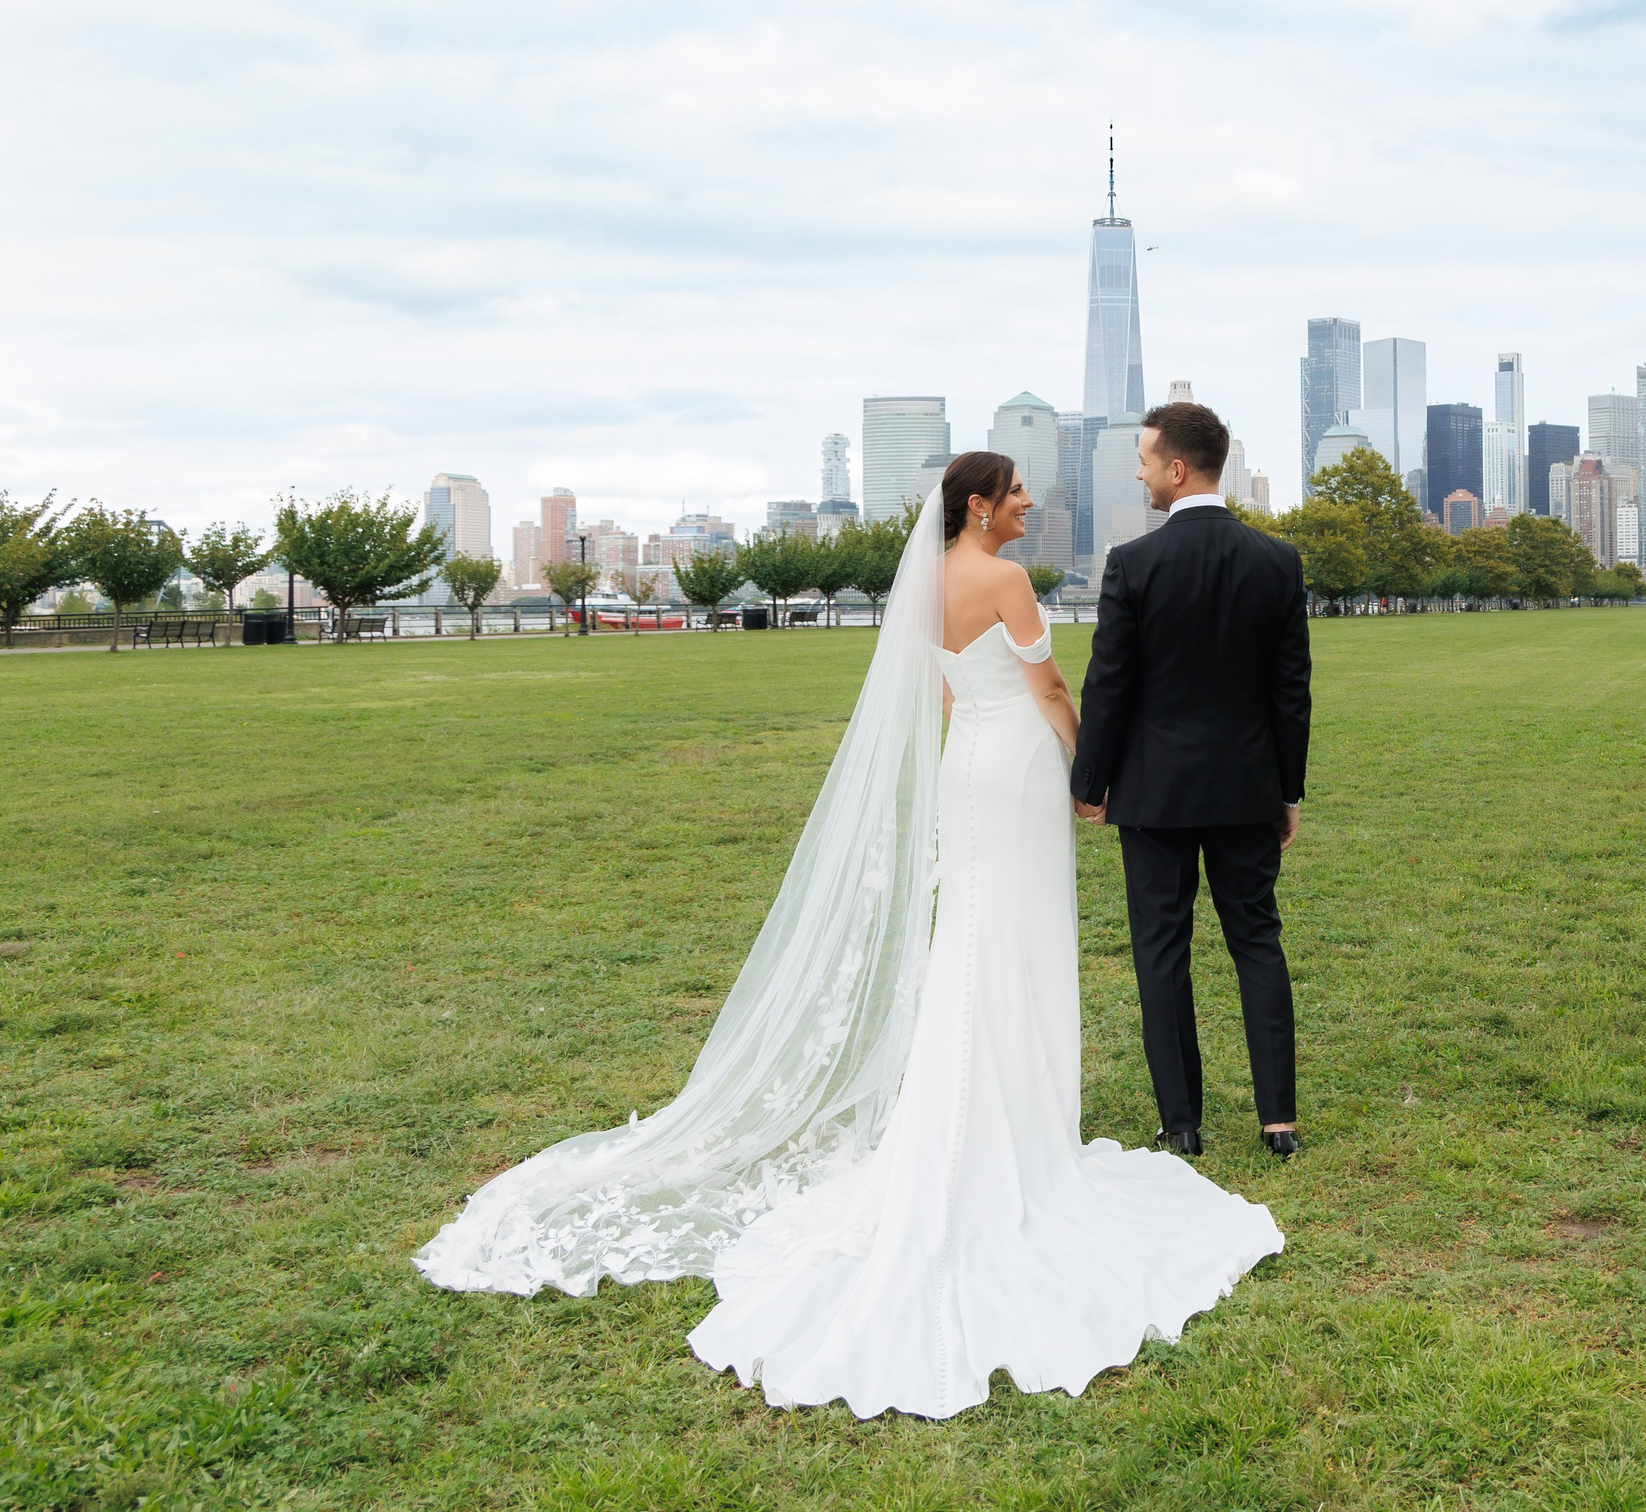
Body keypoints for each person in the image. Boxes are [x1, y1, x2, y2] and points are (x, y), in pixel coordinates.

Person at [413, 451, 1281, 1421]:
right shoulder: (1001, 579)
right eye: (1018, 493)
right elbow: (1045, 694)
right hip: (1020, 772)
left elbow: (952, 695)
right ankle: (1017, 1138)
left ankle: (980, 1124)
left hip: (966, 769)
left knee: (969, 942)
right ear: (981, 505)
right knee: (1014, 947)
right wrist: (1092, 776)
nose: (1031, 503)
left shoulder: (928, 586)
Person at [1071, 402, 1312, 1160]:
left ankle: (1182, 1123)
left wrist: (1090, 780)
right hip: (1246, 789)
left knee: (1161, 951)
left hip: (1155, 794)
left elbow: (1108, 686)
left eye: (1144, 459)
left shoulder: (1133, 565)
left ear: (1177, 469)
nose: (1139, 472)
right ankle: (1279, 1121)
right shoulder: (1277, 561)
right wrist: (1288, 790)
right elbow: (1290, 690)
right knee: (1258, 943)